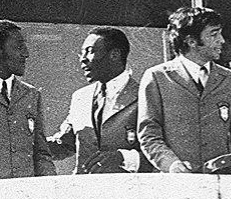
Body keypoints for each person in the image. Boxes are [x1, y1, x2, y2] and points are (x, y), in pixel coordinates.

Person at [138, 7, 231, 174]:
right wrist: (171, 164)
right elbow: (149, 134)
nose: (222, 40)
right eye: (213, 34)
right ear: (191, 41)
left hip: (221, 182)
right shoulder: (157, 77)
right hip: (174, 184)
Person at [48, 27, 153, 174]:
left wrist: (123, 158)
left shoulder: (145, 96)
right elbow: (65, 144)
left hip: (127, 192)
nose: (82, 58)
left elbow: (159, 153)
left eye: (90, 51)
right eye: (82, 53)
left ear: (115, 54)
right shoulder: (80, 97)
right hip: (85, 192)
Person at [0, 20, 55, 179]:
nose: (26, 54)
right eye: (19, 47)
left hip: (25, 197)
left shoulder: (31, 94)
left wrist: (49, 188)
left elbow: (41, 154)